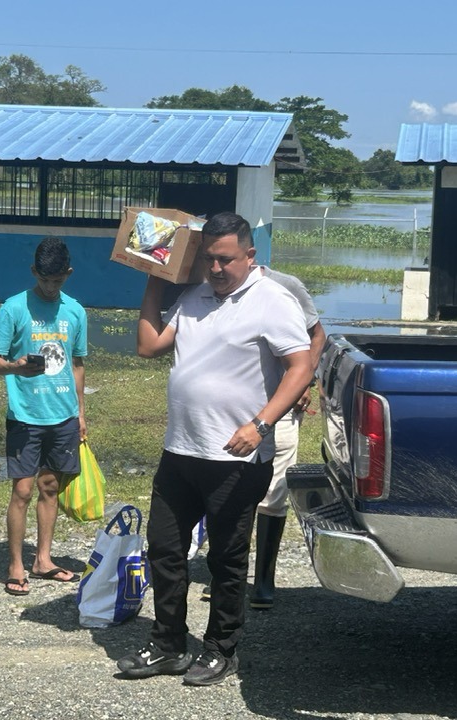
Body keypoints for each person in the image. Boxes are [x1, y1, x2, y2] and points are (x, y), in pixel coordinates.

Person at [117, 212, 313, 687]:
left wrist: (261, 424)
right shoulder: (195, 296)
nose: (217, 268)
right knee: (165, 550)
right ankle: (168, 645)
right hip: (181, 450)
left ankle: (221, 649)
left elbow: (301, 366)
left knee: (226, 559)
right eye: (209, 259)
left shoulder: (273, 300)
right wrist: (156, 278)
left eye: (226, 259)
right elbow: (149, 346)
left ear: (250, 255)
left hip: (237, 458)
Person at [193, 267, 326, 608]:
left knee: (274, 492)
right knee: (229, 489)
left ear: (248, 254)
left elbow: (317, 335)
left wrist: (304, 381)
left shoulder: (286, 285)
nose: (218, 267)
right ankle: (226, 574)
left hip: (279, 406)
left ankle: (264, 578)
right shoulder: (211, 289)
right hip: (230, 408)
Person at [0, 236, 88, 597]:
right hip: (25, 415)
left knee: (50, 487)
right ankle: (16, 564)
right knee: (23, 490)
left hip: (63, 415)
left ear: (68, 274)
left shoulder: (75, 311)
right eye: (44, 280)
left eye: (57, 280)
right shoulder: (14, 308)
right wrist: (15, 367)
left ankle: (43, 560)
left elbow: (77, 364)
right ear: (33, 272)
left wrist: (80, 413)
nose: (50, 287)